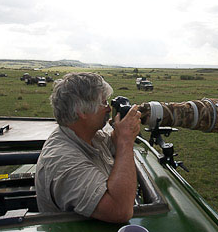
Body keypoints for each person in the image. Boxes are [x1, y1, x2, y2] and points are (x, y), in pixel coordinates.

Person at [35, 72, 141, 223]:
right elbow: (120, 210)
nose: (108, 109)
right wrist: (126, 140)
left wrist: (123, 130)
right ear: (82, 111)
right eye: (103, 103)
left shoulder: (87, 135)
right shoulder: (63, 160)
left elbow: (112, 142)